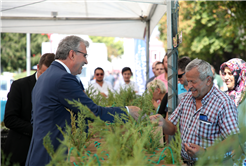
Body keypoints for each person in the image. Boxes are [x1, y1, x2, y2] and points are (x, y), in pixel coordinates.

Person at [25, 36, 140, 166]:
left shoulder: (45, 76)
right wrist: (128, 111)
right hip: (51, 156)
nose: (86, 61)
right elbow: (93, 112)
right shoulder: (63, 78)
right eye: (85, 55)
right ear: (72, 54)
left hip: (38, 153)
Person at [150, 58, 239, 163]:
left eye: (193, 82)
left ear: (208, 80)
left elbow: (233, 140)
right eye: (188, 81)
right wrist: (163, 123)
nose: (189, 86)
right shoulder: (187, 98)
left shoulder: (223, 103)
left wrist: (205, 152)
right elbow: (173, 127)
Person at [3, 53, 55, 166]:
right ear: (38, 67)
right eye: (43, 74)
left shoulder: (56, 88)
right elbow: (10, 119)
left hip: (47, 154)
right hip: (20, 152)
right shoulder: (19, 86)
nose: (46, 79)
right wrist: (38, 130)